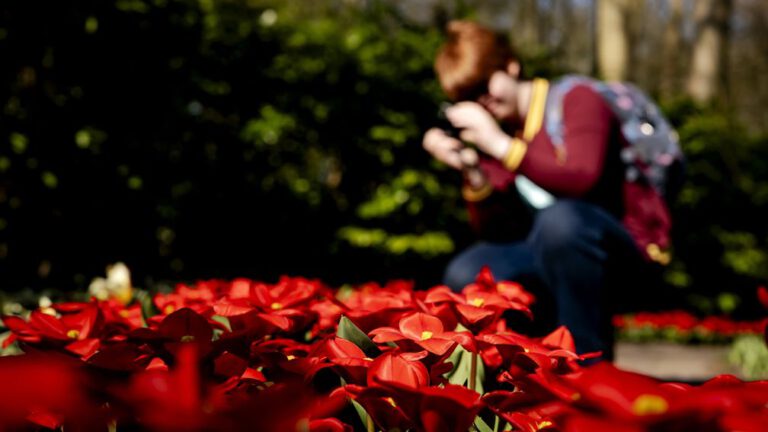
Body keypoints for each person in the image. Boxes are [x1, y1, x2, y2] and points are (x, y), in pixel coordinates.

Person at [422, 20, 669, 361]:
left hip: (621, 250)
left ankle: (586, 368)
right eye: (467, 97)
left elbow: (582, 178)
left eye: (484, 84)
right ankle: (519, 375)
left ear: (511, 65)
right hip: (547, 249)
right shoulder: (498, 133)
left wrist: (498, 144)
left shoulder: (577, 100)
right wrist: (472, 169)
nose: (481, 101)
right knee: (468, 271)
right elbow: (497, 232)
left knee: (561, 222)